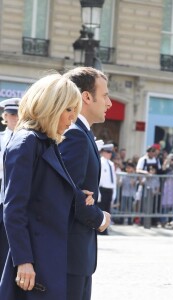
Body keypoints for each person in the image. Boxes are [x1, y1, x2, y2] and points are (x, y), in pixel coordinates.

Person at [0, 74, 108, 300]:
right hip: (35, 260)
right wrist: (23, 261)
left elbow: (46, 189)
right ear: (51, 106)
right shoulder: (26, 141)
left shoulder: (47, 141)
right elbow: (14, 208)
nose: (72, 118)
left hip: (50, 255)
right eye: (69, 110)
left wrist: (77, 195)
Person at [59, 66, 112, 299]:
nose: (109, 102)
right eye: (105, 95)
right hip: (70, 254)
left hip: (77, 254)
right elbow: (69, 195)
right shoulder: (75, 135)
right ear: (86, 97)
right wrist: (100, 218)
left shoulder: (82, 133)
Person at [0, 98, 20, 278]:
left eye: (18, 114)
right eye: (12, 114)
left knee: (8, 247)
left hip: (13, 201)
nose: (15, 118)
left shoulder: (26, 139)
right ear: (5, 116)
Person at [98, 143, 117, 235]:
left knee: (108, 211)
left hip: (109, 189)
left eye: (111, 152)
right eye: (108, 152)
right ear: (103, 152)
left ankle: (105, 229)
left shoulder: (111, 164)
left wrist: (114, 192)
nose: (110, 154)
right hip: (102, 189)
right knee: (101, 210)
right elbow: (99, 178)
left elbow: (114, 179)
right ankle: (100, 229)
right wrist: (98, 192)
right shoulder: (100, 162)